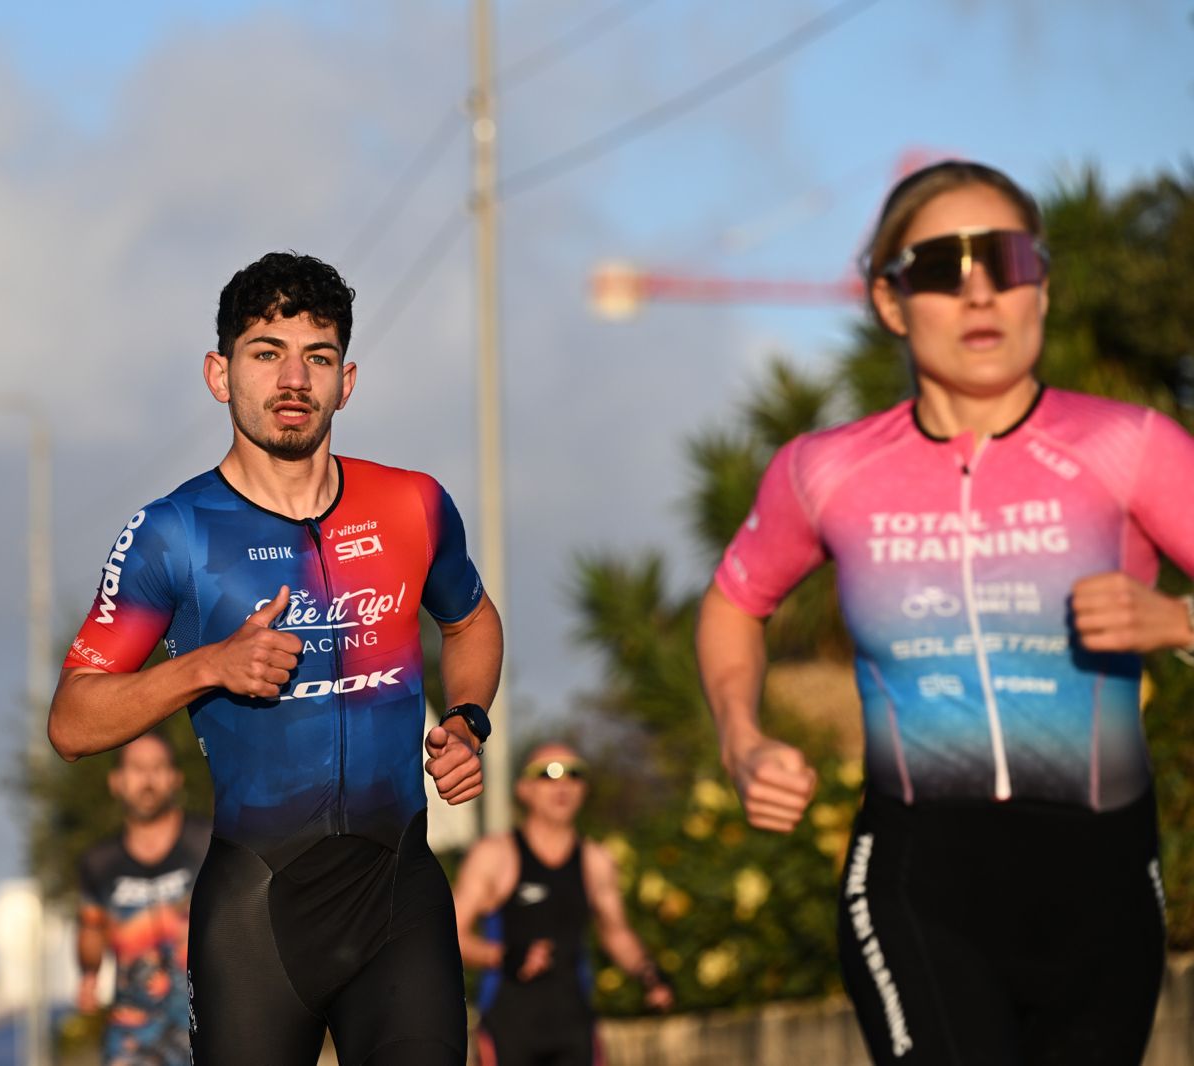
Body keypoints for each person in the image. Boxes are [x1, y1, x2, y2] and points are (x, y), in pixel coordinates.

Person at [696, 159, 1194, 1064]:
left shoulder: (1130, 447)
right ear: (891, 301)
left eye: (1007, 260)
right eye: (941, 267)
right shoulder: (826, 470)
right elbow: (736, 601)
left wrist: (1177, 624)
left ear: (1042, 285)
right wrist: (742, 739)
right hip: (919, 878)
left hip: (1104, 882)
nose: (979, 292)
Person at [48, 251, 504, 1066]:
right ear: (219, 374)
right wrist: (208, 666)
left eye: (318, 358)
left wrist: (468, 720)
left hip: (398, 898)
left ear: (346, 381)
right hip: (256, 915)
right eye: (266, 353)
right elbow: (73, 722)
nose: (294, 379)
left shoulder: (413, 504)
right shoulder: (173, 533)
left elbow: (470, 622)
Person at [453, 742, 672, 1066]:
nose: (563, 785)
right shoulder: (495, 855)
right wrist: (502, 956)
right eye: (548, 774)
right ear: (524, 789)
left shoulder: (595, 860)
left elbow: (616, 933)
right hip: (509, 1029)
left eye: (574, 774)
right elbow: (451, 936)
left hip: (575, 1029)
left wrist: (649, 973)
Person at [75, 733, 209, 1066]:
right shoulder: (98, 862)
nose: (147, 780)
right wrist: (89, 972)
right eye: (137, 769)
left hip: (207, 1023)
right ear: (116, 782)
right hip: (132, 1031)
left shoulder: (208, 842)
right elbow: (90, 939)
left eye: (158, 768)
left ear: (175, 778)